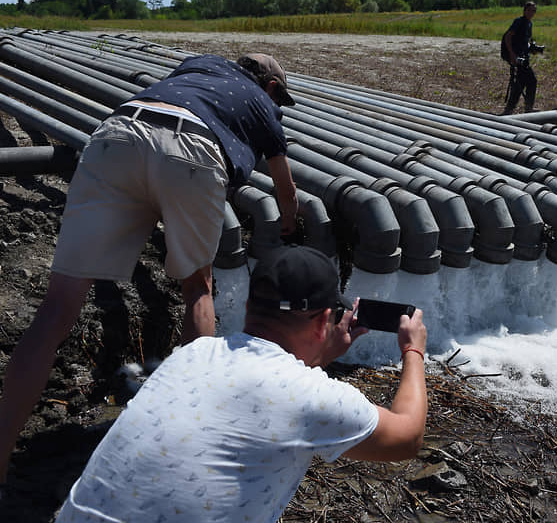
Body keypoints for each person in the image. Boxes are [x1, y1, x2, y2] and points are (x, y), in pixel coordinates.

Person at [0, 53, 300, 485]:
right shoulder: (262, 102)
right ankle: (178, 446)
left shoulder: (200, 65)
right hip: (193, 150)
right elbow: (285, 190)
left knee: (57, 308)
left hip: (115, 136)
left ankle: (2, 450)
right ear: (272, 87)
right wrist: (288, 227)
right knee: (198, 290)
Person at [53, 244, 428, 522]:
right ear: (322, 321)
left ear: (249, 307)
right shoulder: (310, 395)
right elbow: (407, 437)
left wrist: (322, 354)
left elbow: (269, 385)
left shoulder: (192, 354)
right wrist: (413, 351)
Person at [501, 1, 539, 115]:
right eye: (529, 10)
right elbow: (508, 37)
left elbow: (525, 42)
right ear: (524, 10)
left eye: (533, 11)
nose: (531, 13)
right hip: (516, 57)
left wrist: (533, 49)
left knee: (521, 82)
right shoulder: (519, 22)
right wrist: (512, 54)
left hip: (523, 57)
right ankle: (528, 109)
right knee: (531, 80)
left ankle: (509, 109)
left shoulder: (529, 24)